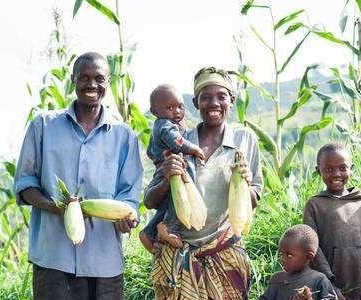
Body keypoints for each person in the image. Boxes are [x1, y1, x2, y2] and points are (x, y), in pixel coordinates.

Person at [14, 52, 143, 300]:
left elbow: (128, 198)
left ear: (108, 82)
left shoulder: (124, 137)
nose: (91, 84)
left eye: (98, 78)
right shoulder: (43, 126)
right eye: (84, 77)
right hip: (53, 258)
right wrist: (57, 208)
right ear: (72, 79)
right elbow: (25, 184)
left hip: (104, 260)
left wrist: (126, 219)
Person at [144, 66, 263, 299]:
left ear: (232, 100)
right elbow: (149, 201)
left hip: (225, 252)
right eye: (206, 97)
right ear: (196, 103)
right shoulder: (179, 142)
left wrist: (245, 182)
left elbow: (254, 199)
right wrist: (167, 179)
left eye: (221, 96)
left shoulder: (244, 139)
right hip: (180, 254)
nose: (214, 103)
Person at [139, 84, 204, 254]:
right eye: (169, 107)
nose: (176, 111)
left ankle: (149, 232)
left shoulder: (160, 127)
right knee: (182, 191)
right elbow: (177, 142)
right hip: (169, 169)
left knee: (167, 205)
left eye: (180, 106)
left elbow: (151, 151)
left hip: (161, 168)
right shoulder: (164, 125)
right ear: (154, 111)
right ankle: (168, 227)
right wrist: (194, 149)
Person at [303, 142, 361, 300]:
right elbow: (313, 249)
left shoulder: (359, 201)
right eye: (329, 169)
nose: (336, 174)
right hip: (334, 282)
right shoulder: (315, 205)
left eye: (343, 168)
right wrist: (329, 283)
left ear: (352, 168)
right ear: (318, 170)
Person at [259, 224, 336, 300]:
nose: (282, 259)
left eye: (289, 255)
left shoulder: (319, 280)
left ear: (308, 256)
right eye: (281, 254)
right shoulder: (277, 279)